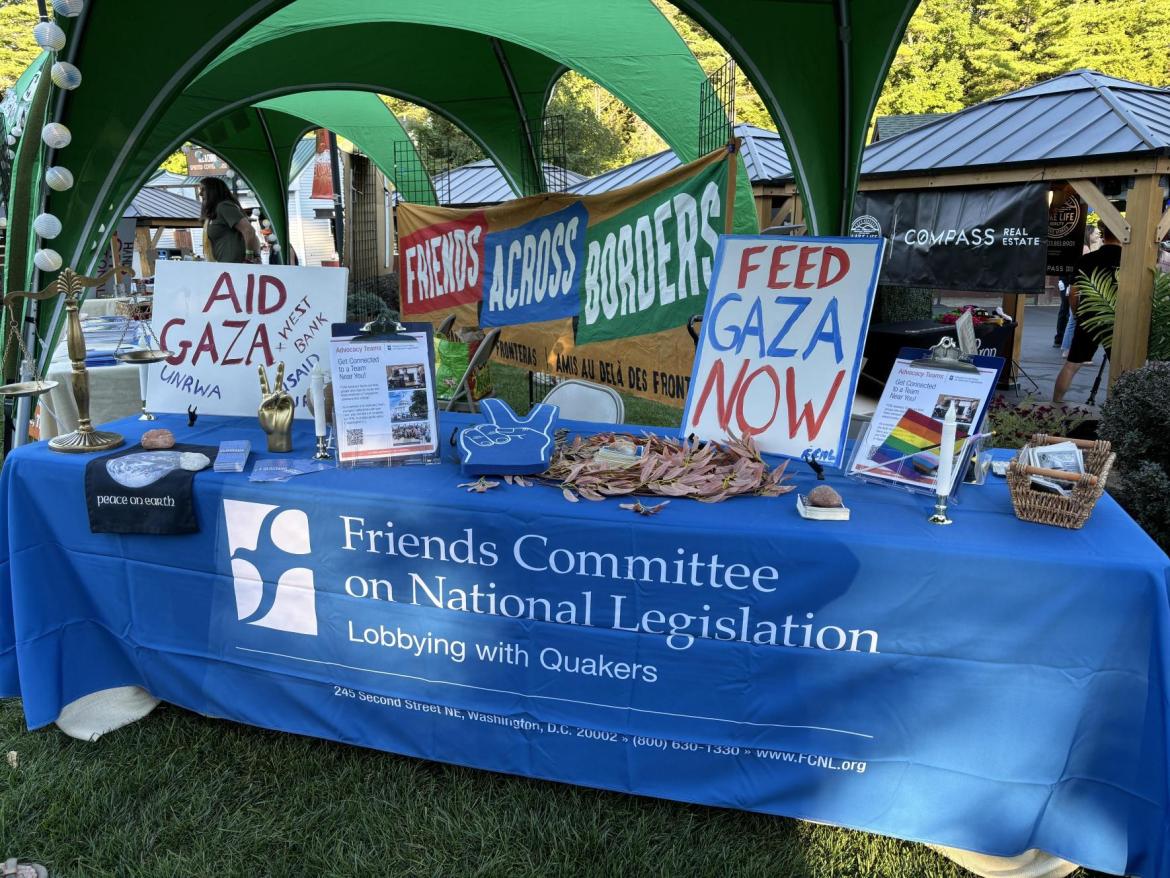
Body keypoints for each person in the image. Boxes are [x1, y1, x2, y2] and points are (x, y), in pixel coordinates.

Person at [1053, 221, 1121, 403]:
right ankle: (1119, 410)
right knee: (1122, 369)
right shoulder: (1130, 261)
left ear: (1103, 235)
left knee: (1071, 365)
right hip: (1117, 319)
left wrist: (1078, 313)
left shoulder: (1086, 260)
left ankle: (1055, 404)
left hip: (1089, 316)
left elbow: (1073, 293)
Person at [198, 176, 261, 264]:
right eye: (200, 190)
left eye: (203, 189)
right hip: (226, 265)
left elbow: (249, 231)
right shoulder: (215, 211)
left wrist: (249, 257)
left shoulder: (224, 206)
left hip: (237, 265)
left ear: (214, 191)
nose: (200, 194)